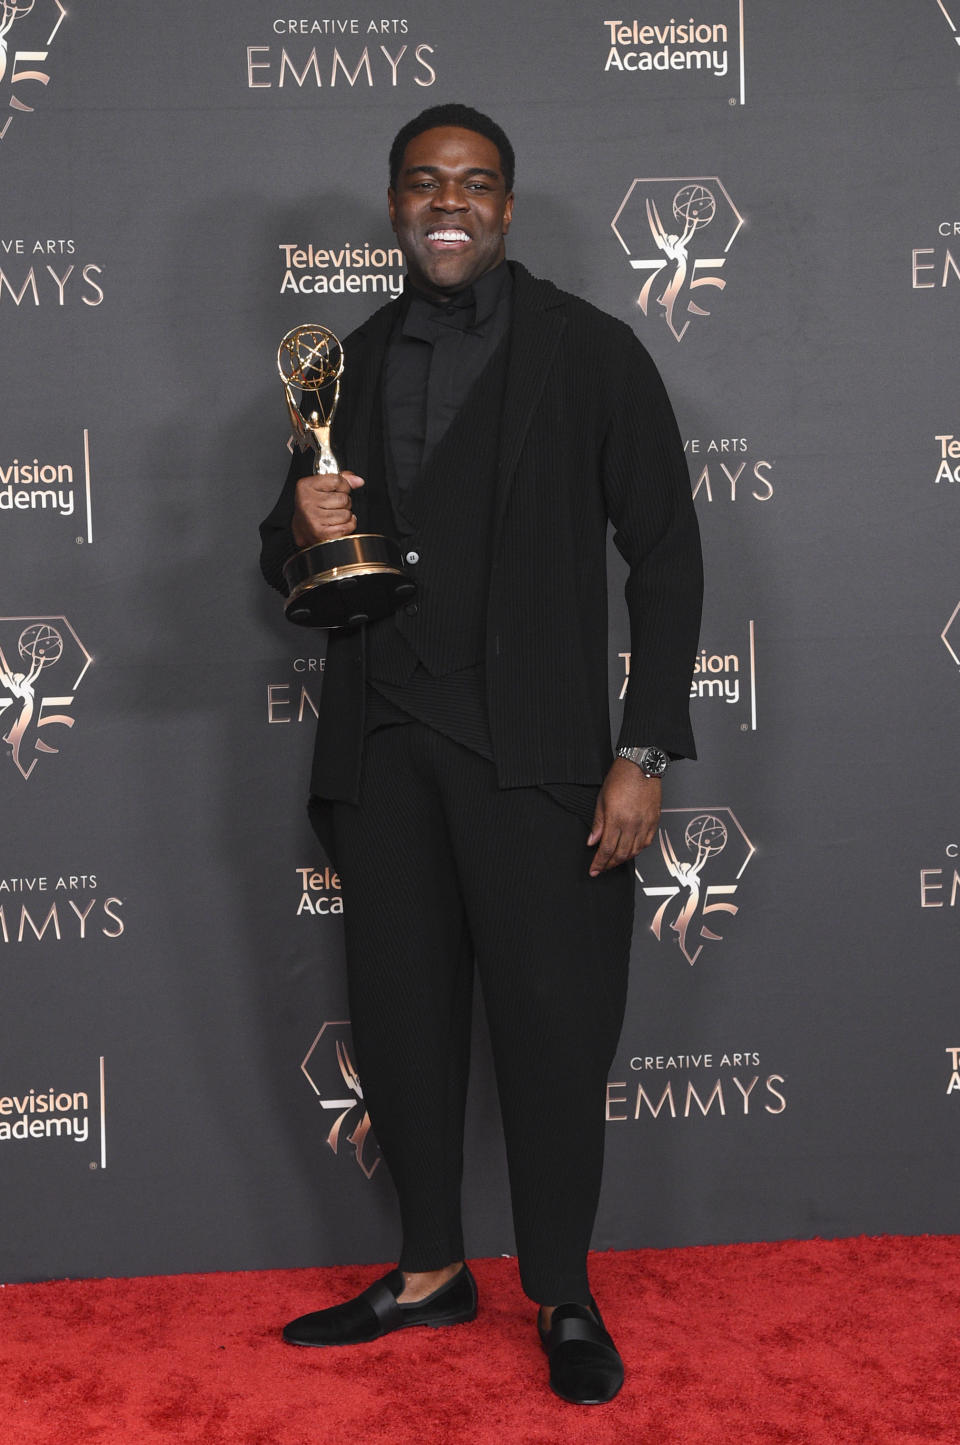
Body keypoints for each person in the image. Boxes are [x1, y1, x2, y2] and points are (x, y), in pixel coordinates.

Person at [259, 102, 702, 1405]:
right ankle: (430, 1267)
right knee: (401, 1027)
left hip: (546, 762)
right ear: (392, 204)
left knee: (556, 1032)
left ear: (508, 208)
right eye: (422, 181)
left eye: (475, 183)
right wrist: (302, 519)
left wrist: (644, 748)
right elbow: (280, 566)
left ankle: (562, 1290)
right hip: (387, 752)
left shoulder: (591, 353)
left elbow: (667, 558)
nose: (447, 202)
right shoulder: (342, 365)